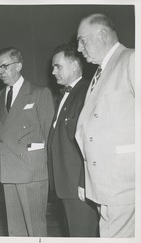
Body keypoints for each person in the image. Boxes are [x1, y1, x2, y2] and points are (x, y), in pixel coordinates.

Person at [75, 13, 135, 237]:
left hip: (124, 183)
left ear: (102, 35)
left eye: (82, 40)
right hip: (105, 185)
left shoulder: (131, 59)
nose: (79, 48)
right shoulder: (99, 73)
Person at [0, 47, 54, 236]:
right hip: (8, 170)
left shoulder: (38, 93)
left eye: (5, 66)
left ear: (19, 65)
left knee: (35, 229)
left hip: (31, 172)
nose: (0, 71)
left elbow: (48, 135)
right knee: (15, 230)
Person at [47, 43, 99, 237]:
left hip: (79, 186)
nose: (53, 72)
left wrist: (84, 181)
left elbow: (91, 141)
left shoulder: (87, 93)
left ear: (75, 65)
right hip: (65, 185)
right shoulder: (66, 94)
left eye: (58, 66)